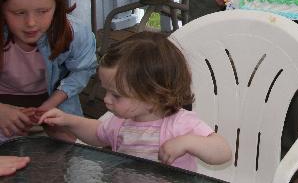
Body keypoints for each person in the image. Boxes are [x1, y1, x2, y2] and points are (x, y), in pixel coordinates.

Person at [40, 31, 232, 171]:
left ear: (153, 95)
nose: (106, 100)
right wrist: (68, 120)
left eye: (116, 95)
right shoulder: (121, 122)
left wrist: (188, 142)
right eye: (106, 91)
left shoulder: (179, 124)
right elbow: (97, 134)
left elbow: (223, 152)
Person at [0, 0, 96, 142]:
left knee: (75, 149)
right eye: (19, 13)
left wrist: (52, 103)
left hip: (55, 103)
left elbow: (83, 69)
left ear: (57, 5)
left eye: (42, 11)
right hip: (4, 107)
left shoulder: (75, 32)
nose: (31, 23)